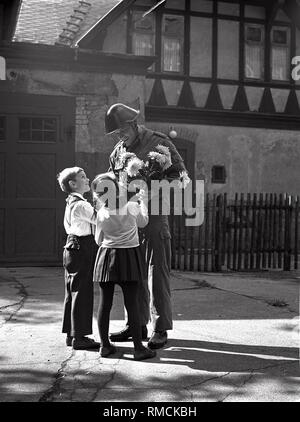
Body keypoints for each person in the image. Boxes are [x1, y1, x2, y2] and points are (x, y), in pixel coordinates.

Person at [105, 103, 187, 349]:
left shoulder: (159, 142)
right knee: (131, 273)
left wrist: (153, 191)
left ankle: (160, 328)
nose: (119, 138)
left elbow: (180, 176)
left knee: (156, 272)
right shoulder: (118, 151)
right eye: (115, 135)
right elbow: (112, 180)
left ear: (132, 124)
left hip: (154, 214)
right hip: (129, 218)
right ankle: (136, 324)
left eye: (121, 132)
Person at [92, 172, 156, 361]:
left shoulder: (101, 213)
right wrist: (144, 202)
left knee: (105, 304)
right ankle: (138, 348)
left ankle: (104, 346)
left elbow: (98, 240)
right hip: (129, 256)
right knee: (132, 304)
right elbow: (144, 222)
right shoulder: (131, 207)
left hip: (106, 257)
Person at [57, 167, 99, 350]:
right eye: (83, 177)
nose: (88, 179)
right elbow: (101, 220)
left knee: (72, 292)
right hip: (82, 247)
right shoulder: (81, 205)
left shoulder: (72, 202)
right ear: (73, 184)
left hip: (72, 247)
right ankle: (79, 337)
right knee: (82, 292)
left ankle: (71, 334)